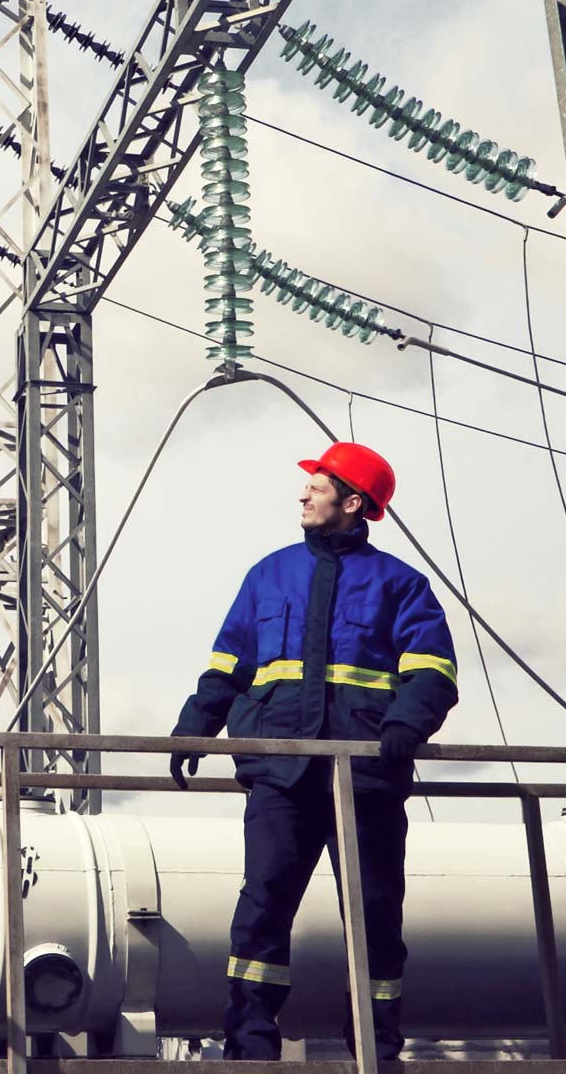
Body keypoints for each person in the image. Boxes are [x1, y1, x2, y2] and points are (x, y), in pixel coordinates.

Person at [167, 441, 457, 1061]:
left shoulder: (401, 586)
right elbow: (228, 663)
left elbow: (432, 672)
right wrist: (196, 724)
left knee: (375, 917)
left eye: (317, 487)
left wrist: (404, 727)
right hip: (282, 772)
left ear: (353, 502)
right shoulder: (267, 575)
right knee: (262, 907)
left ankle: (376, 1051)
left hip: (366, 778)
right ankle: (249, 1047)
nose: (303, 494)